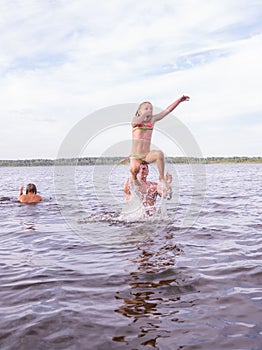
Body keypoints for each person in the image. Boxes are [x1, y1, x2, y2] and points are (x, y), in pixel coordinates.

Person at [130, 96, 189, 190]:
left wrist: (178, 101)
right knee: (134, 170)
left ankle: (161, 177)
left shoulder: (152, 120)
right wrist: (144, 114)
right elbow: (134, 123)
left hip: (146, 156)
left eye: (151, 109)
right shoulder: (136, 120)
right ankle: (133, 178)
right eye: (146, 109)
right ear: (139, 111)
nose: (149, 110)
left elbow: (166, 111)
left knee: (159, 154)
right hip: (135, 157)